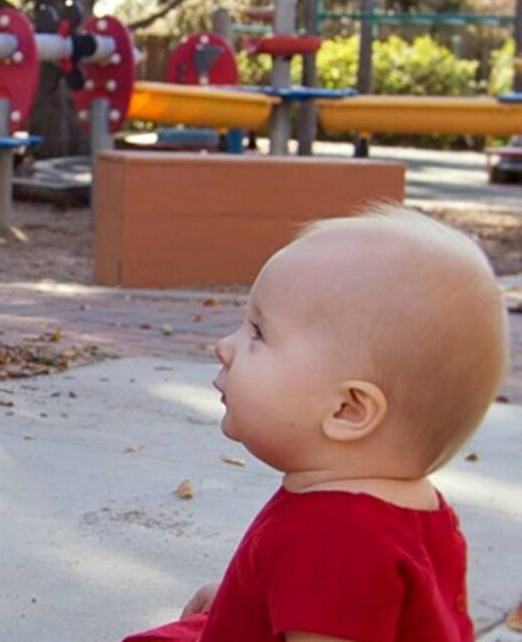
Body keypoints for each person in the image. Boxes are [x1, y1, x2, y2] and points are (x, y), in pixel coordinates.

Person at [122, 204, 509, 642]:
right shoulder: (408, 509)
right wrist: (250, 600)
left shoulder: (336, 540)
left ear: (348, 411)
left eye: (259, 333)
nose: (224, 346)